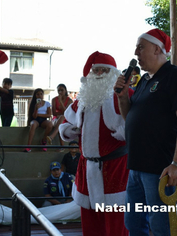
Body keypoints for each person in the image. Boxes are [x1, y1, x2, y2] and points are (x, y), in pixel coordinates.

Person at [114, 29, 177, 235]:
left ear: (157, 48)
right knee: (133, 224)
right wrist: (123, 97)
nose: (135, 52)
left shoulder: (176, 76)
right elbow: (130, 118)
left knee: (160, 227)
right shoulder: (144, 81)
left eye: (141, 47)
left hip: (160, 170)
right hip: (136, 167)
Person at [60, 51, 133, 236]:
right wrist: (70, 130)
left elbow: (139, 124)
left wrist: (123, 133)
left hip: (115, 167)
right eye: (96, 70)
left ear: (114, 74)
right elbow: (66, 121)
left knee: (116, 222)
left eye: (104, 70)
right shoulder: (83, 98)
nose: (99, 74)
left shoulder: (125, 94)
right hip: (87, 167)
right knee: (91, 223)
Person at [24, 88, 52, 152]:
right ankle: (29, 146)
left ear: (43, 95)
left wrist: (39, 114)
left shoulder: (47, 103)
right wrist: (36, 108)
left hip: (43, 120)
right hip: (35, 120)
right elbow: (33, 116)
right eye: (37, 94)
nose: (39, 95)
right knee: (33, 125)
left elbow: (49, 115)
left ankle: (44, 141)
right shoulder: (33, 104)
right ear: (35, 95)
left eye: (41, 94)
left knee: (50, 124)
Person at [47, 84, 73, 151]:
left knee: (61, 118)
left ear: (65, 90)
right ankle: (62, 146)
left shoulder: (69, 100)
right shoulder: (54, 100)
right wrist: (61, 114)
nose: (60, 92)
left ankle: (52, 137)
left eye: (62, 90)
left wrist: (61, 102)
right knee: (61, 121)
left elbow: (67, 113)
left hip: (65, 119)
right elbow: (54, 113)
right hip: (56, 119)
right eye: (59, 90)